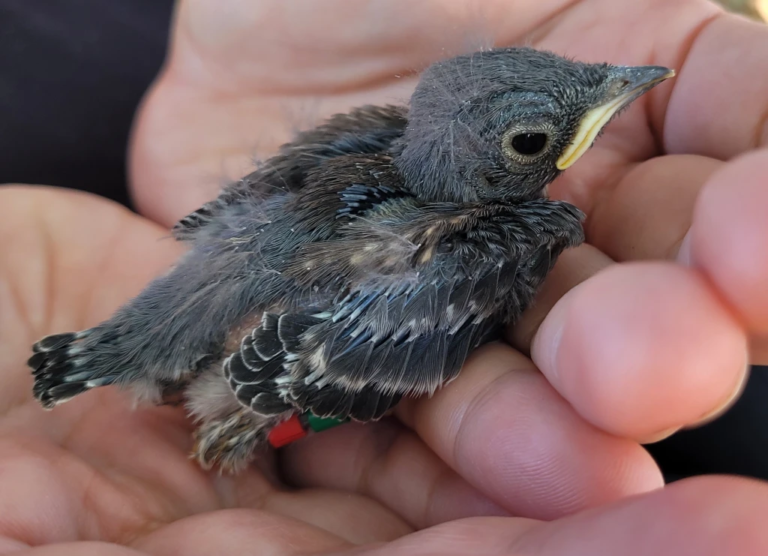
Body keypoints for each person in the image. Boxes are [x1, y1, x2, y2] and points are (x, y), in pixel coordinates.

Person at [1, 0, 767, 553]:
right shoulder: (509, 237)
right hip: (259, 354)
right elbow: (343, 347)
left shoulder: (378, 133)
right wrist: (269, 415)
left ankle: (116, 356)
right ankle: (149, 368)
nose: (618, 86)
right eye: (532, 141)